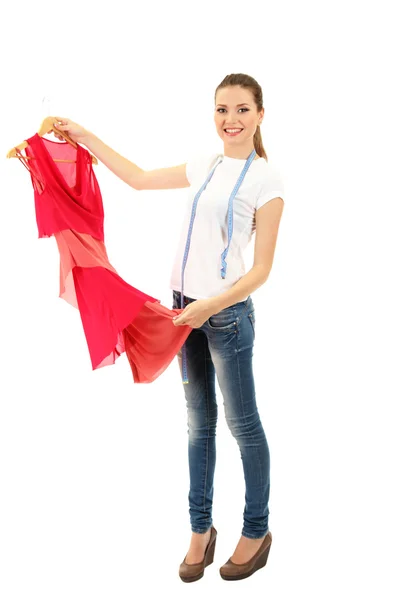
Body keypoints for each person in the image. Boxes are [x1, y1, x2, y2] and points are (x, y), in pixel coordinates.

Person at [52, 72, 285, 582]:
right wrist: (83, 136)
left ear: (260, 115)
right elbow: (136, 178)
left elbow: (261, 269)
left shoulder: (268, 180)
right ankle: (201, 528)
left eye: (242, 110)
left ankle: (257, 529)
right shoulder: (204, 164)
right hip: (181, 312)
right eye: (222, 109)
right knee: (197, 423)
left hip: (225, 317)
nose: (231, 120)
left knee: (242, 425)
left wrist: (212, 306)